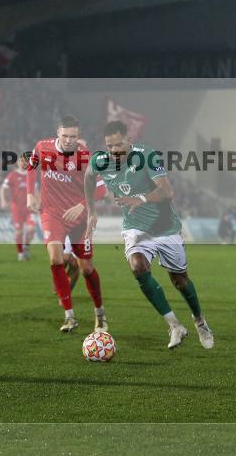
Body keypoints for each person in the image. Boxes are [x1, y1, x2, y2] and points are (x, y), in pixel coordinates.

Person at [84, 120, 214, 350]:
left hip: (165, 226)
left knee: (180, 280)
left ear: (128, 140)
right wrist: (91, 210)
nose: (114, 150)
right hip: (135, 226)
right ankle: (174, 325)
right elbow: (88, 177)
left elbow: (167, 190)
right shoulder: (100, 161)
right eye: (109, 146)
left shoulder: (145, 155)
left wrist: (141, 198)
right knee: (138, 267)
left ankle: (200, 321)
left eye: (118, 144)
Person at [27, 115, 107, 333]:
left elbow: (101, 189)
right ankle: (69, 316)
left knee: (86, 269)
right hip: (51, 212)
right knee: (55, 259)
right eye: (65, 136)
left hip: (79, 218)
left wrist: (82, 205)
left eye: (73, 136)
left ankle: (100, 313)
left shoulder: (85, 157)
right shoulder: (42, 147)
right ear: (58, 134)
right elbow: (31, 165)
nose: (69, 140)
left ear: (78, 136)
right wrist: (29, 193)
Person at [0, 152, 37, 261]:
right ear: (17, 162)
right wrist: (3, 201)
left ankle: (25, 246)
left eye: (25, 161)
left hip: (29, 207)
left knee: (31, 229)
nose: (23, 163)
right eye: (21, 161)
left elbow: (36, 190)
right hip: (16, 208)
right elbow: (3, 189)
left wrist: (39, 202)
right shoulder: (12, 175)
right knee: (19, 231)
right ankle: (20, 253)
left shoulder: (31, 174)